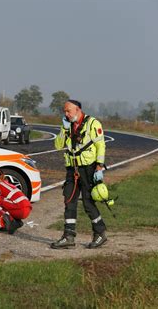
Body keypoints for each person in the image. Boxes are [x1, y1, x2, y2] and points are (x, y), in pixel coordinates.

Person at [51, 99, 107, 249]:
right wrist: (64, 129)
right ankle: (68, 236)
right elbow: (58, 145)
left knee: (88, 203)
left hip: (88, 169)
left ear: (78, 110)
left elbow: (100, 145)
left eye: (68, 111)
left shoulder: (93, 123)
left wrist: (99, 167)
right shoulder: (67, 126)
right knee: (69, 201)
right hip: (72, 169)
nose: (66, 114)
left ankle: (100, 233)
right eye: (65, 111)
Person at [0, 169, 32, 234]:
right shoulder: (6, 184)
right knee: (2, 200)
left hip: (20, 209)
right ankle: (16, 221)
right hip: (27, 208)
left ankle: (11, 222)